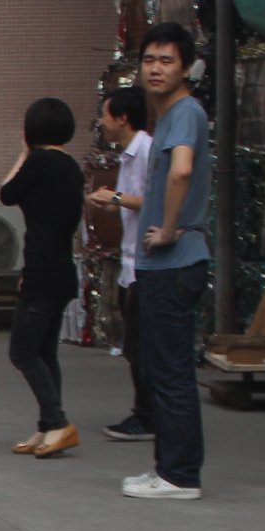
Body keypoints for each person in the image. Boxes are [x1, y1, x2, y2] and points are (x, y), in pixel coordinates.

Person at [124, 20, 212, 499]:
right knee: (162, 368)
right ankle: (170, 467)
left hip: (175, 262)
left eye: (167, 61)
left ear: (186, 68)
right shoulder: (174, 115)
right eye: (150, 60)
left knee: (171, 371)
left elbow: (181, 171)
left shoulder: (184, 113)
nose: (156, 69)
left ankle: (179, 474)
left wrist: (172, 228)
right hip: (167, 263)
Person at [0, 96, 86, 458]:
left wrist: (24, 152)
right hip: (63, 271)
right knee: (46, 353)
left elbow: (7, 194)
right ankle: (48, 428)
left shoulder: (38, 161)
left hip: (42, 272)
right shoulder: (72, 166)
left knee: (21, 350)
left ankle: (57, 421)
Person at [88, 86, 157, 442]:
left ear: (123, 118)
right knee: (133, 345)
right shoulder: (128, 155)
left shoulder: (146, 149)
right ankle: (146, 411)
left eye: (105, 114)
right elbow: (130, 202)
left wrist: (114, 197)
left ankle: (148, 415)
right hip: (131, 259)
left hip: (145, 260)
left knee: (139, 346)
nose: (101, 122)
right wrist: (109, 204)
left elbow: (152, 200)